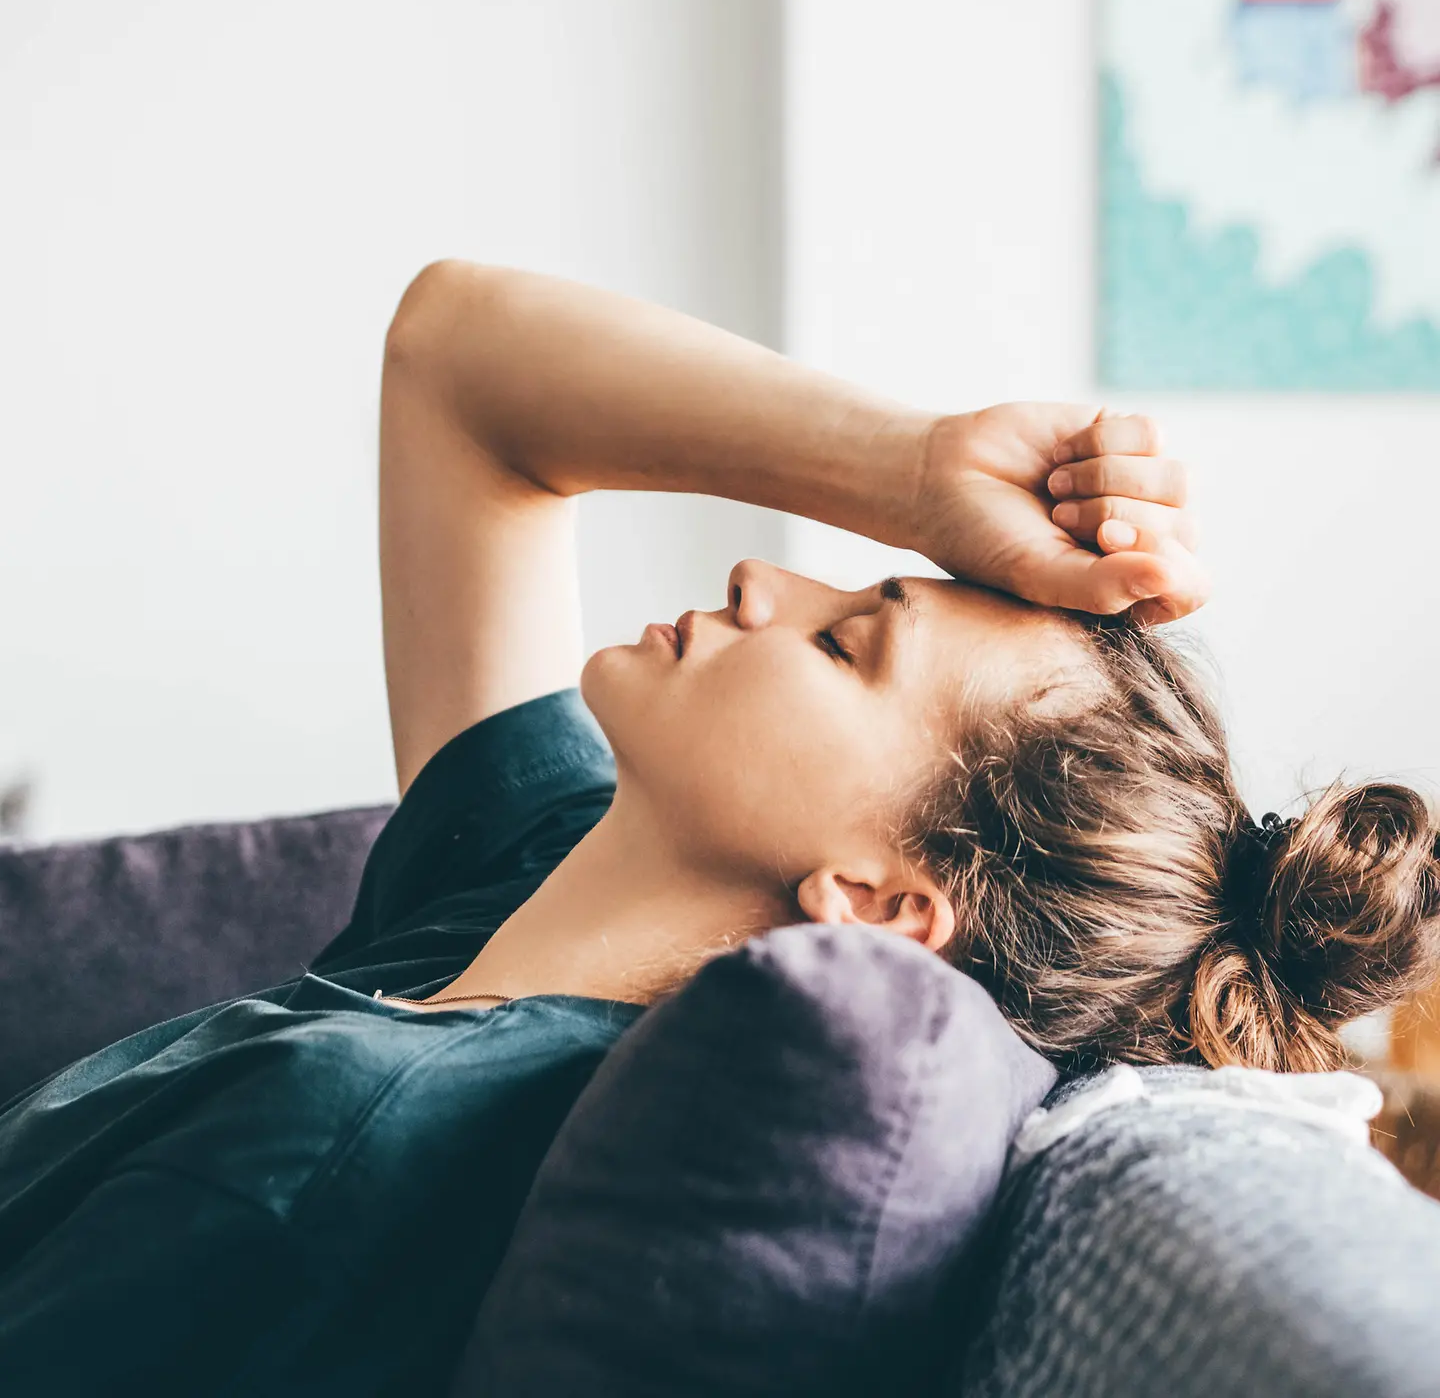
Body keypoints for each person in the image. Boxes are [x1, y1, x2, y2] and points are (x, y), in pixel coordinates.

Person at [0, 263, 1434, 1392]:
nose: (765, 577)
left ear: (878, 900)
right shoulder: (524, 880)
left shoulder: (340, 1141)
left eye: (845, 647)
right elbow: (459, 357)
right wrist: (920, 468)